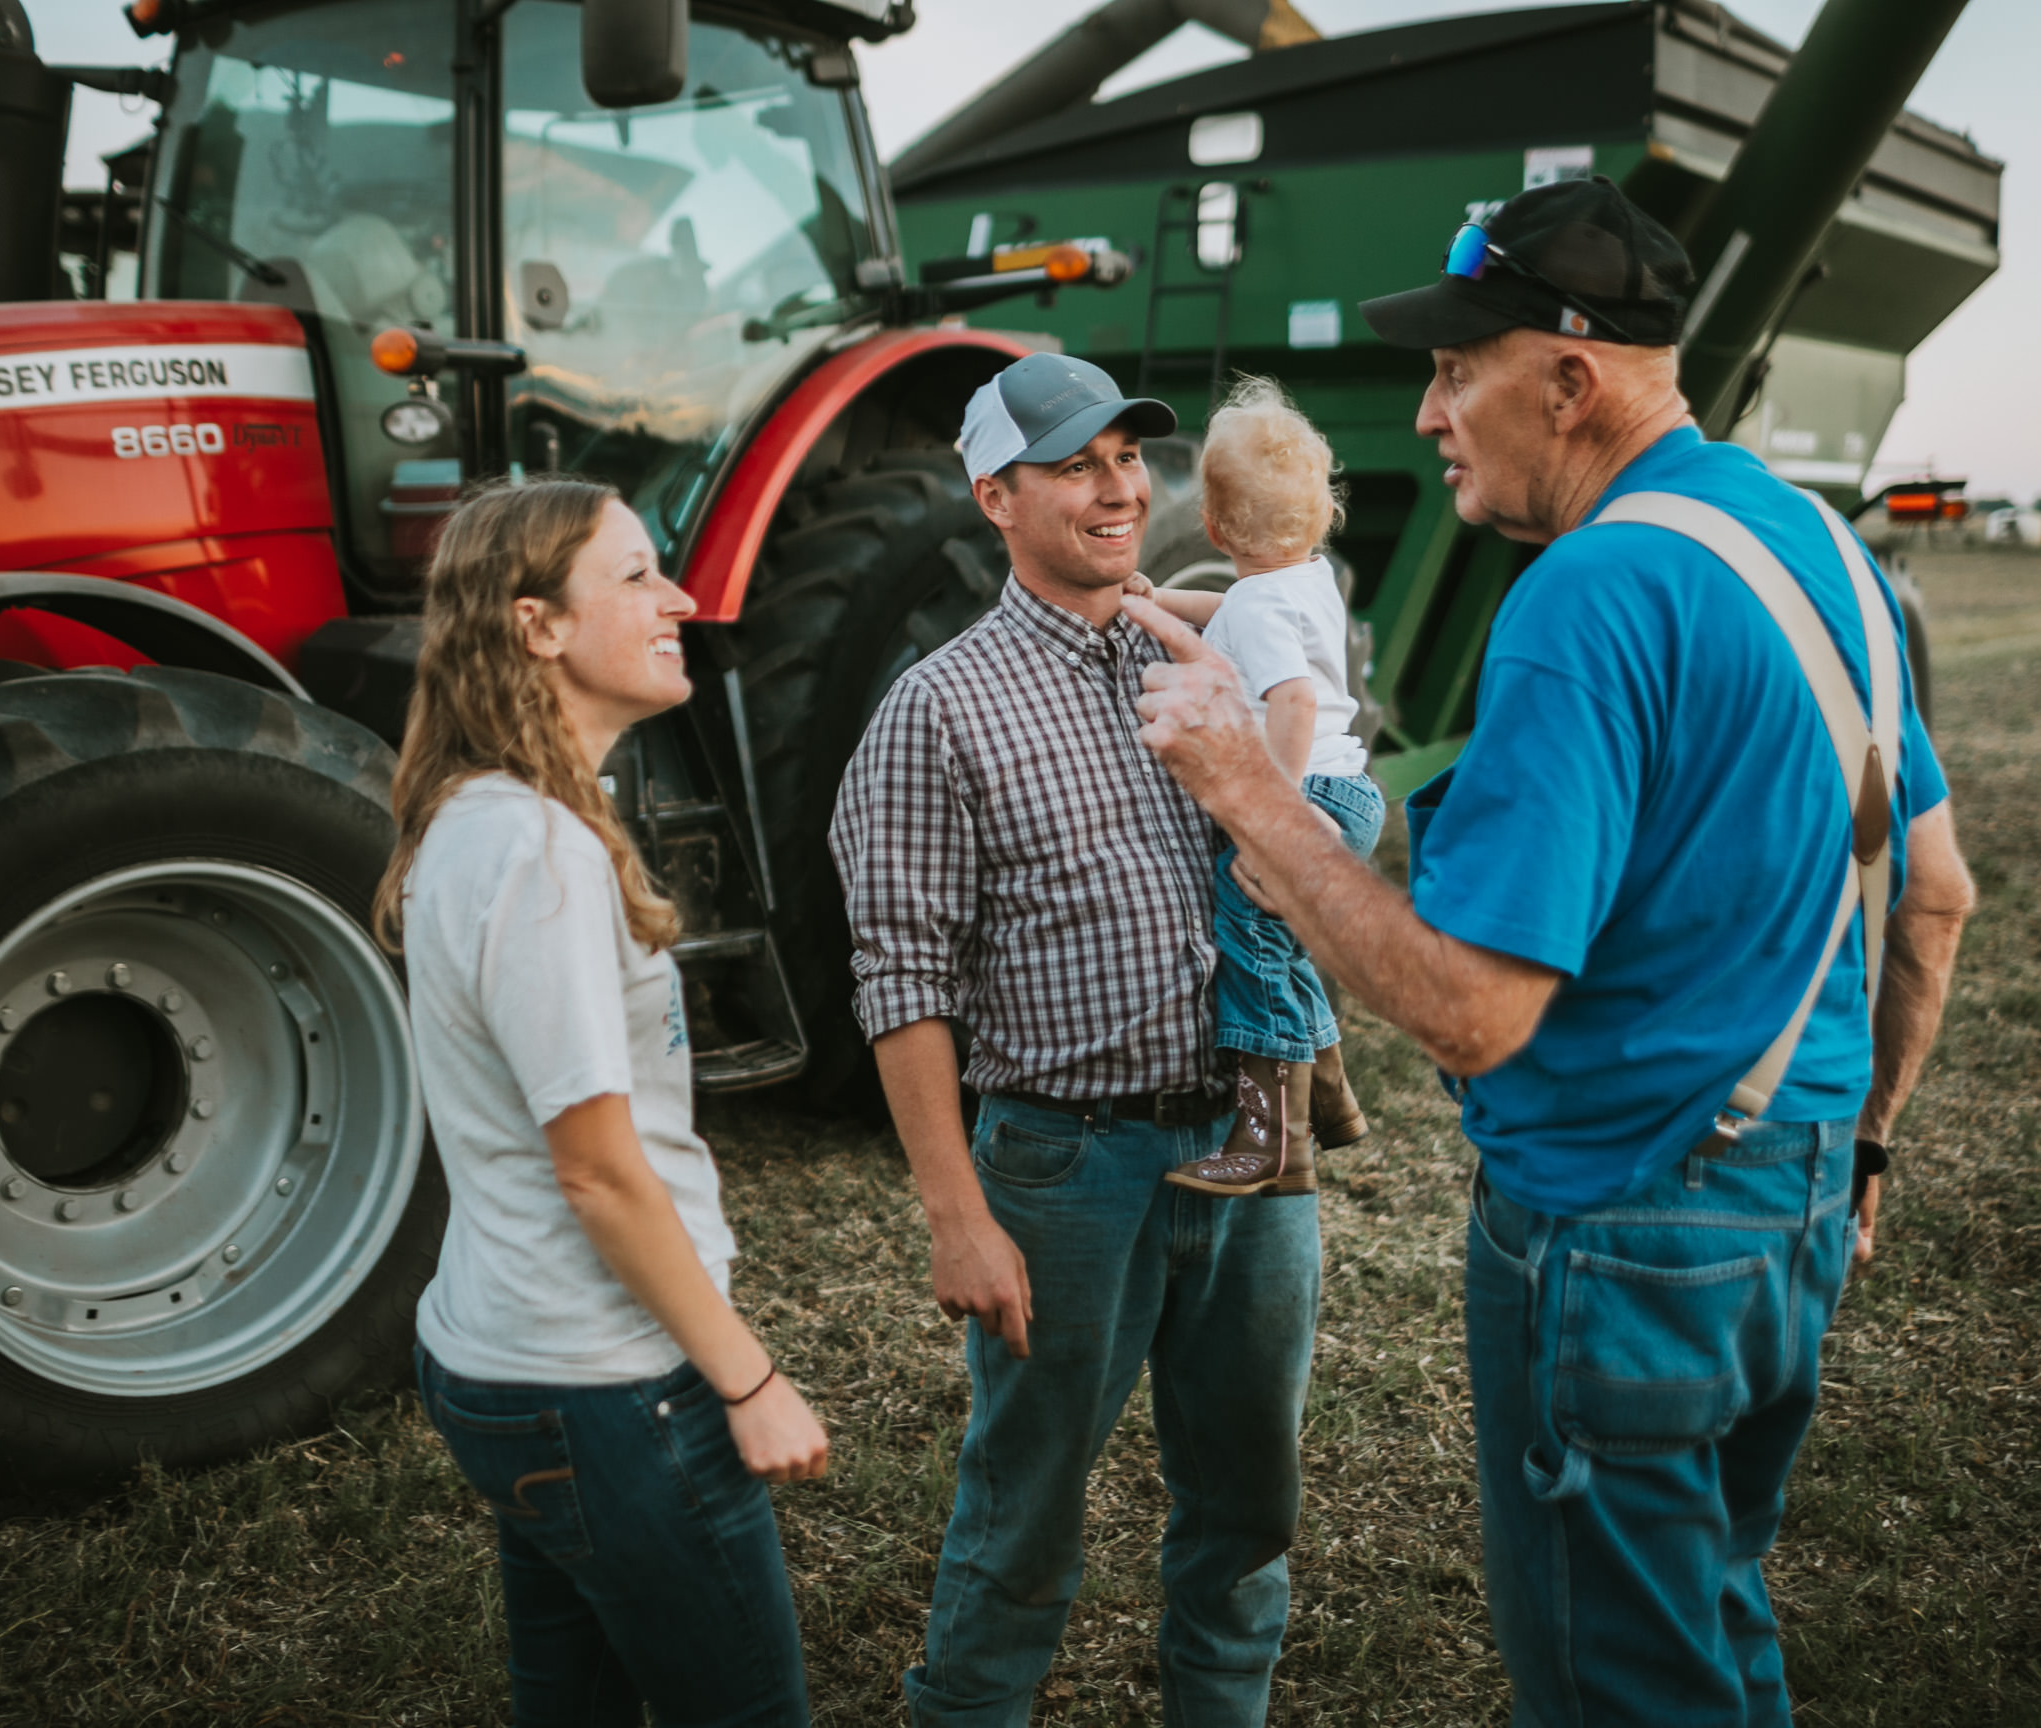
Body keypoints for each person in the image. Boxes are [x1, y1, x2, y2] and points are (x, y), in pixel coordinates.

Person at [1119, 176, 1978, 1726]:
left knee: (1620, 1694)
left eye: (1460, 372)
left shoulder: (1586, 598)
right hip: (1791, 1215)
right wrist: (1862, 1159)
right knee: (1715, 1631)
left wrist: (1249, 788)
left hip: (1619, 1239)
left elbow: (1471, 1009)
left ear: (1571, 382)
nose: (1433, 414)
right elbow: (1931, 898)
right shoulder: (1828, 554)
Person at [828, 352, 1321, 1726]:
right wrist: (956, 1213)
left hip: (1245, 1142)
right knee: (1026, 1513)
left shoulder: (1203, 661)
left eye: (1128, 459)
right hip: (1066, 1167)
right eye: (1075, 466)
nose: (1120, 489)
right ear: (995, 494)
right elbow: (901, 977)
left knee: (1248, 1506)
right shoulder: (941, 710)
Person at [378, 478, 828, 1728]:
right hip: (608, 1384)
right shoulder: (539, 854)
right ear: (537, 628)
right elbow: (599, 1170)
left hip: (509, 1357)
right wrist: (746, 1381)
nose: (679, 597)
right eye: (634, 576)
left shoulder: (484, 818)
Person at [1127, 377, 1384, 1196]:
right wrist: (1158, 599)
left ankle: (1272, 1142)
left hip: (1308, 792)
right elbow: (1232, 604)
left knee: (1249, 937)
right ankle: (1330, 1099)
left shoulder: (1265, 604)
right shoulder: (1297, 580)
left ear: (1210, 524)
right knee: (1282, 943)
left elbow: (1295, 700)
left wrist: (1268, 816)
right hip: (1348, 788)